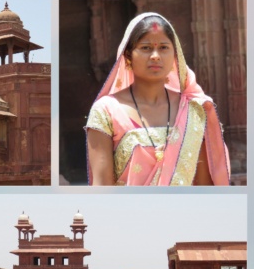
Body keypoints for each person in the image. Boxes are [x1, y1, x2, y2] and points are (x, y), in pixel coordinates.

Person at [86, 12, 230, 186]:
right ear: (129, 55)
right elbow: (102, 189)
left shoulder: (193, 111)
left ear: (174, 56)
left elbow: (205, 189)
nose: (155, 56)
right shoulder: (106, 111)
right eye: (146, 48)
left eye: (163, 47)